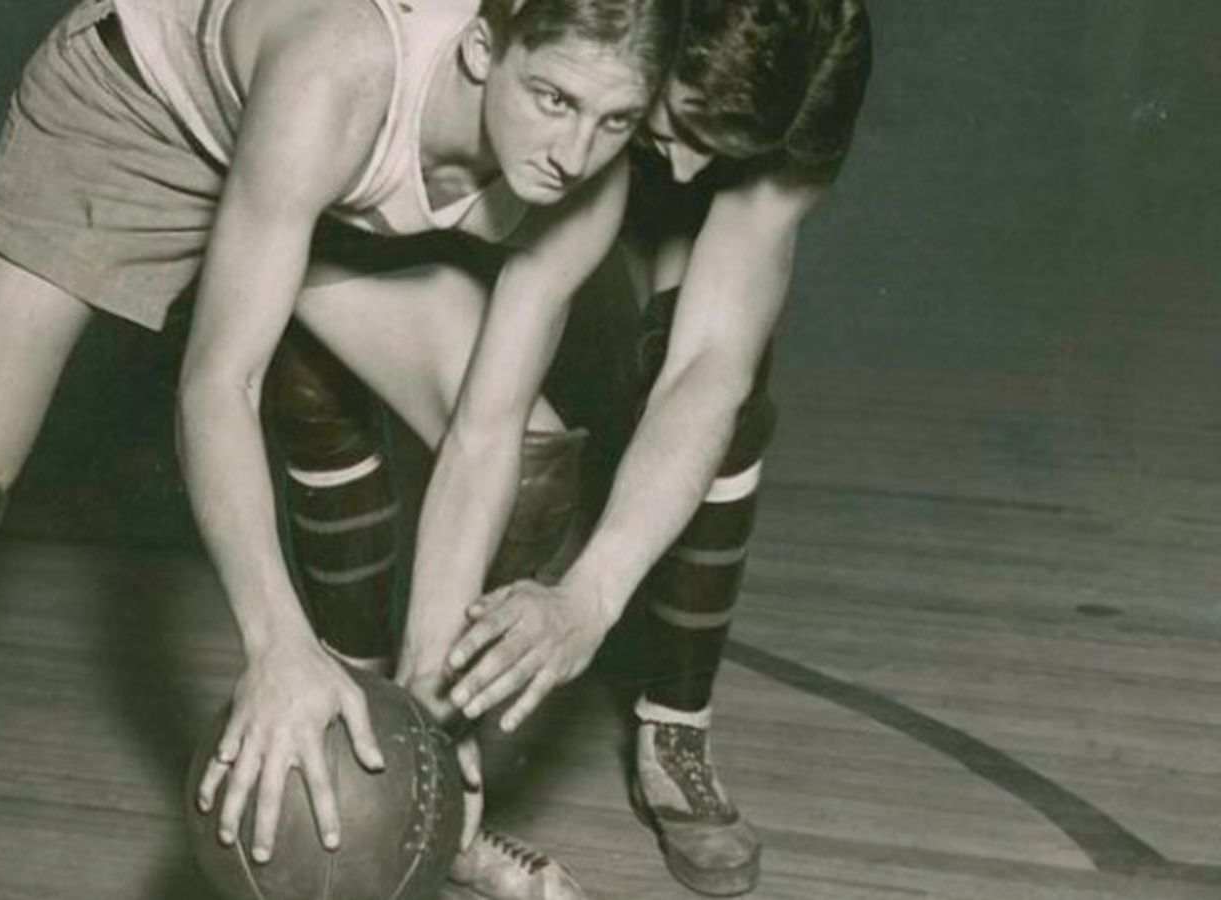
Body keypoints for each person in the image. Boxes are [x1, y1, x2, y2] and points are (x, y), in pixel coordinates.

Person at [0, 0, 679, 896]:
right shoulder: (345, 71)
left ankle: (412, 805)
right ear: (480, 48)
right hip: (144, 115)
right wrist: (275, 646)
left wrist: (422, 715)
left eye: (613, 119)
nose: (575, 150)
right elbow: (217, 384)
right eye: (551, 98)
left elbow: (485, 431)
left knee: (534, 467)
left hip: (324, 187)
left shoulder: (581, 178)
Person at [265, 0, 873, 896]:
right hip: (508, 108)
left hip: (617, 110)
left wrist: (591, 596)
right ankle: (363, 710)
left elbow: (708, 368)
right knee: (313, 352)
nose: (694, 165)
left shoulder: (815, 68)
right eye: (687, 127)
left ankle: (675, 727)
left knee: (717, 397)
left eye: (728, 150)